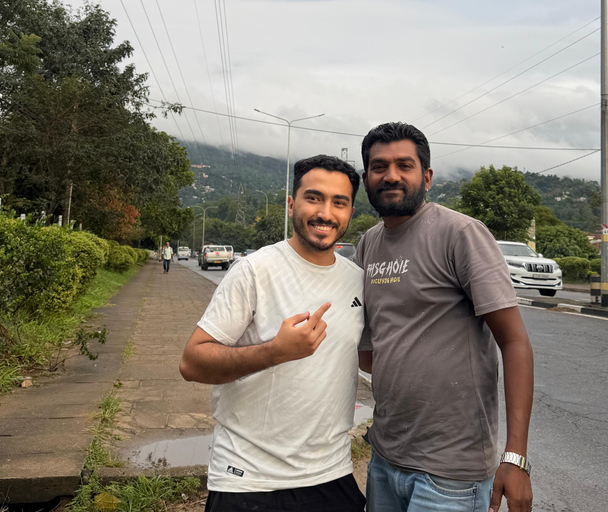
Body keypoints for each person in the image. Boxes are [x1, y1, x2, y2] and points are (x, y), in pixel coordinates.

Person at [355, 122, 534, 512]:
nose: (391, 176)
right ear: (366, 178)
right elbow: (371, 348)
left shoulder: (460, 234)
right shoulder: (368, 245)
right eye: (379, 166)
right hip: (385, 458)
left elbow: (514, 342)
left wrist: (515, 458)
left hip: (451, 474)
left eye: (405, 165)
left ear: (428, 176)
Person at [179, 155, 366, 512]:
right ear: (292, 204)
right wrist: (275, 351)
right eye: (314, 198)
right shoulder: (254, 270)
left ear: (350, 213)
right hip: (249, 479)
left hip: (332, 474)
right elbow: (192, 362)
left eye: (339, 202)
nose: (325, 212)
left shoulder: (356, 280)